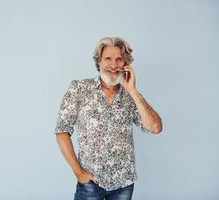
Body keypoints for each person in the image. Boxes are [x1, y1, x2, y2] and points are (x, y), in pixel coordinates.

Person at [54, 37, 163, 200]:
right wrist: (78, 172)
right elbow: (62, 130)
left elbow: (155, 127)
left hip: (123, 184)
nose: (113, 65)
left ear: (126, 64)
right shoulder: (79, 88)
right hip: (90, 182)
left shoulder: (130, 95)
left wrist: (133, 91)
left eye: (119, 59)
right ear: (99, 62)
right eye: (108, 59)